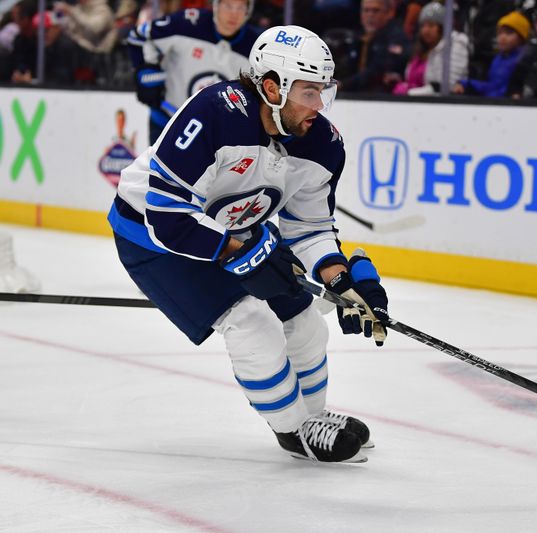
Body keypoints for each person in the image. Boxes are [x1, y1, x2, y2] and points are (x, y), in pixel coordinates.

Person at [108, 25, 390, 463]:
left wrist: (341, 281)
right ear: (272, 87)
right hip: (153, 239)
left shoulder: (323, 144)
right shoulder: (215, 113)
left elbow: (310, 228)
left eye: (323, 92)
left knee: (306, 323)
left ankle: (315, 419)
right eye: (308, 92)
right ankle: (293, 430)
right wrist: (242, 251)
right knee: (252, 323)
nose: (319, 106)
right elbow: (166, 215)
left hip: (234, 231)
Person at [128, 0, 261, 145]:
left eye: (240, 8)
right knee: (154, 168)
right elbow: (139, 36)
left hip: (214, 134)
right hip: (167, 120)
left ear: (249, 10)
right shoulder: (187, 24)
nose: (233, 14)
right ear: (216, 5)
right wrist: (146, 69)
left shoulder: (256, 48)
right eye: (228, 6)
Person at [391, 1, 469, 96]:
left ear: (442, 27)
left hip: (445, 104)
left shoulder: (455, 44)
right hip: (420, 101)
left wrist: (409, 93)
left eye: (431, 25)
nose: (426, 30)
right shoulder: (421, 50)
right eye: (423, 26)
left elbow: (447, 84)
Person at [452, 10, 530, 98]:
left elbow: (503, 90)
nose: (502, 37)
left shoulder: (524, 60)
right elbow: (492, 86)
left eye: (509, 33)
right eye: (500, 33)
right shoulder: (498, 59)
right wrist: (466, 84)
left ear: (521, 38)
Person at [338, 0, 411, 92]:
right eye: (366, 10)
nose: (370, 15)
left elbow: (377, 70)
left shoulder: (395, 37)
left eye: (375, 10)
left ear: (389, 13)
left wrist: (344, 84)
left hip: (383, 97)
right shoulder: (358, 37)